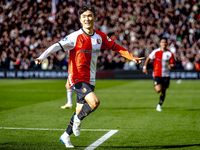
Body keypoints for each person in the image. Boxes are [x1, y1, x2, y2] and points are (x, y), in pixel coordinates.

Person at [35, 6, 145, 148]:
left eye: (89, 16)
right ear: (80, 20)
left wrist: (132, 57)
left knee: (80, 111)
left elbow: (117, 47)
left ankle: (66, 135)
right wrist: (41, 56)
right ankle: (78, 121)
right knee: (95, 102)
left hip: (90, 78)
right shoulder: (74, 37)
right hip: (76, 77)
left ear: (94, 18)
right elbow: (56, 46)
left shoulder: (100, 37)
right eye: (84, 16)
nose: (87, 18)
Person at [142, 37, 176, 112]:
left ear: (167, 44)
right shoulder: (155, 52)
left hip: (166, 74)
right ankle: (159, 103)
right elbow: (148, 58)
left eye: (165, 42)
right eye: (162, 42)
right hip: (157, 73)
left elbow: (173, 63)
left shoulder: (170, 53)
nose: (164, 44)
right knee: (158, 90)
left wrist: (171, 66)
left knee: (164, 91)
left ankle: (159, 105)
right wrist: (145, 67)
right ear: (160, 43)